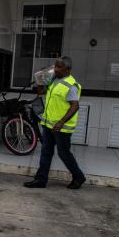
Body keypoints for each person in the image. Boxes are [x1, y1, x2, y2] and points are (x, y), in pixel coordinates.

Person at [24, 56, 86, 189]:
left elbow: (75, 106)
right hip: (48, 125)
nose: (56, 69)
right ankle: (40, 180)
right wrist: (40, 81)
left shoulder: (71, 85)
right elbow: (41, 92)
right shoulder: (54, 80)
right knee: (46, 152)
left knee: (64, 154)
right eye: (55, 66)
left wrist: (61, 122)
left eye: (59, 67)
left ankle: (79, 177)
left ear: (68, 69)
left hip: (61, 128)